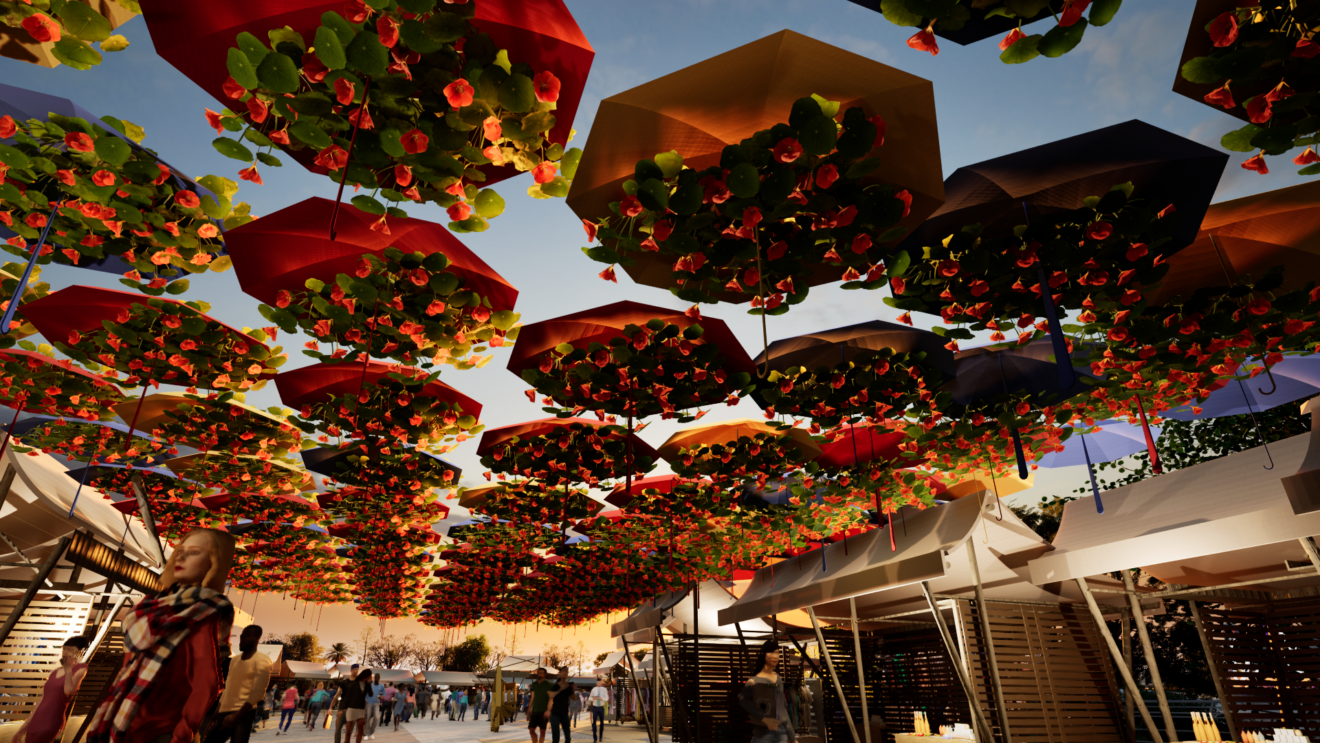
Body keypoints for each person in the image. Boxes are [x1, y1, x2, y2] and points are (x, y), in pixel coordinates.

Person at [87, 528, 236, 743]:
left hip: (158, 731)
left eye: (194, 552)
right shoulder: (150, 606)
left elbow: (208, 684)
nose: (181, 556)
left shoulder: (206, 612)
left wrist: (181, 733)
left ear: (213, 562)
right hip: (118, 719)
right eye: (181, 550)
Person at [12, 635, 89, 743]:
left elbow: (68, 691)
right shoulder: (55, 672)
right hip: (37, 720)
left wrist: (68, 669)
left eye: (70, 650)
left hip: (52, 722)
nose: (66, 653)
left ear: (79, 653)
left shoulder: (81, 669)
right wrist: (21, 730)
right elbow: (42, 702)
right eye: (65, 649)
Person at [205, 625, 272, 743]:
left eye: (246, 637)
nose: (242, 639)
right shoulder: (234, 660)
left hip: (243, 714)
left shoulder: (262, 660)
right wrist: (214, 717)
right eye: (241, 636)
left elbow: (258, 692)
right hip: (223, 713)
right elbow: (227, 689)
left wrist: (237, 715)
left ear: (257, 638)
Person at [740, 640, 795, 743]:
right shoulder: (753, 681)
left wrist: (792, 737)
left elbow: (782, 708)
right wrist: (764, 720)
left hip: (781, 733)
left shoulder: (778, 678)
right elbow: (743, 701)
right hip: (762, 733)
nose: (775, 656)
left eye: (777, 653)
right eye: (771, 652)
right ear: (764, 654)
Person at [339, 668, 372, 743]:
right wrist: (342, 708)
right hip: (351, 708)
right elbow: (347, 696)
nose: (369, 678)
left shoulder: (367, 685)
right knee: (348, 731)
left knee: (360, 731)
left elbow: (370, 694)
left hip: (361, 709)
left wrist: (370, 685)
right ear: (366, 675)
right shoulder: (354, 683)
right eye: (369, 676)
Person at [547, 668, 575, 743]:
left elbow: (574, 698)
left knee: (568, 738)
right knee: (556, 738)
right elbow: (550, 696)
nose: (565, 673)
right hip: (555, 714)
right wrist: (560, 689)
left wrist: (572, 688)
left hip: (565, 714)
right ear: (560, 673)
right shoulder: (555, 686)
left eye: (566, 672)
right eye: (564, 672)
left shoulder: (568, 686)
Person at [527, 668, 555, 743]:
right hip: (535, 710)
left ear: (545, 674)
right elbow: (532, 697)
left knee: (542, 731)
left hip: (544, 711)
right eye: (539, 673)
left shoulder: (549, 685)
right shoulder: (534, 684)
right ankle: (535, 740)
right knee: (531, 729)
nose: (540, 674)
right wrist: (529, 709)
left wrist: (548, 711)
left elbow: (551, 699)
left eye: (542, 673)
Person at [588, 678, 610, 743]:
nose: (599, 684)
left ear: (602, 682)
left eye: (600, 682)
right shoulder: (593, 689)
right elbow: (590, 698)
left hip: (601, 708)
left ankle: (600, 736)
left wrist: (601, 698)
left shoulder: (604, 689)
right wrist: (593, 698)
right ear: (596, 683)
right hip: (595, 707)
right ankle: (595, 738)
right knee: (594, 723)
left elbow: (607, 699)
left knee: (602, 723)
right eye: (598, 683)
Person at [365, 673, 382, 740]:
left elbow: (383, 693)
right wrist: (365, 700)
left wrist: (381, 696)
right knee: (367, 718)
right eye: (376, 677)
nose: (377, 678)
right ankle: (366, 733)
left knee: (376, 718)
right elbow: (366, 693)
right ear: (374, 677)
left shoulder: (381, 686)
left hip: (376, 704)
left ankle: (371, 732)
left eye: (379, 677)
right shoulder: (370, 685)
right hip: (369, 703)